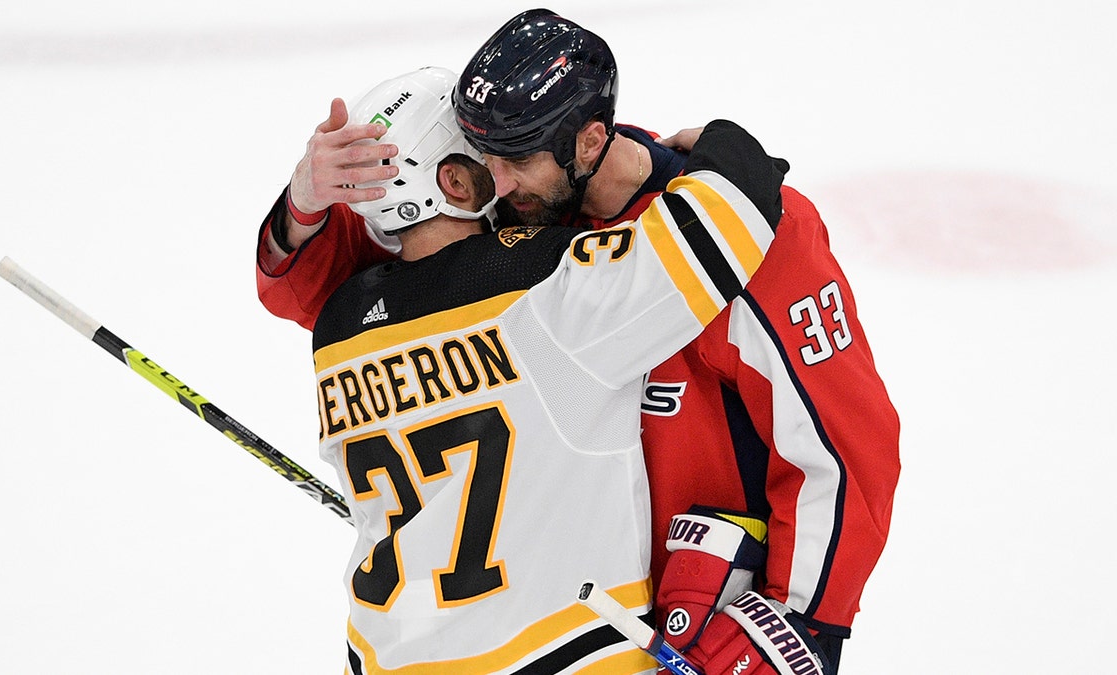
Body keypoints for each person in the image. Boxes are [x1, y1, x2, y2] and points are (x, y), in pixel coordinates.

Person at [256, 9, 900, 674]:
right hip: (576, 629)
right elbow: (358, 301)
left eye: (517, 160)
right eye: (485, 158)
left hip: (701, 631)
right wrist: (306, 205)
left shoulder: (762, 238)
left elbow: (845, 444)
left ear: (589, 141)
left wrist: (803, 616)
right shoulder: (507, 228)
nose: (497, 184)